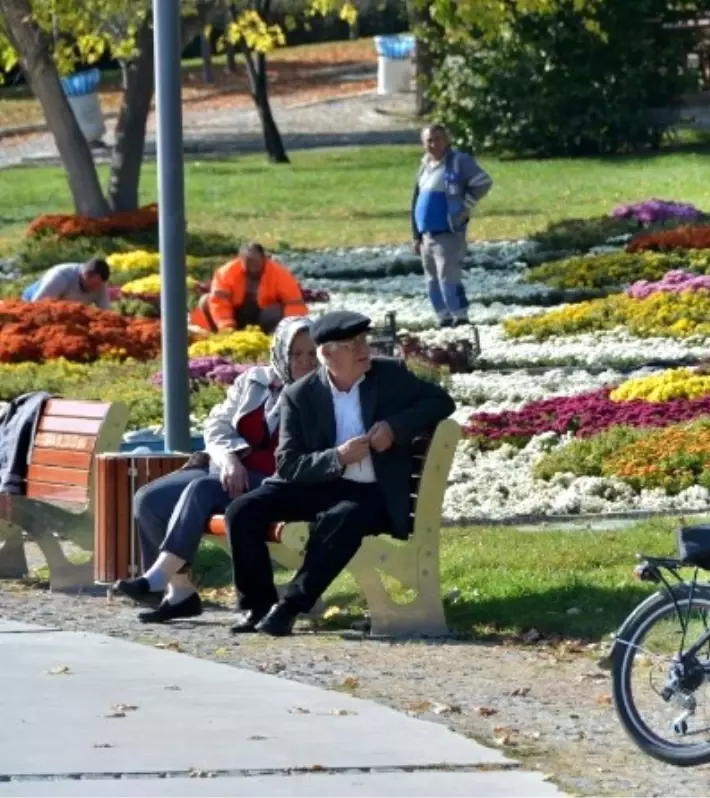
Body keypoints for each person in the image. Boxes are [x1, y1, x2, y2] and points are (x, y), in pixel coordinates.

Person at [223, 310, 455, 636]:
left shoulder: (389, 375)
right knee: (242, 510)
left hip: (372, 493)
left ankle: (289, 606)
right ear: (327, 354)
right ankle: (256, 607)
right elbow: (289, 464)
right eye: (352, 344)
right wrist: (337, 458)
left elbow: (441, 401)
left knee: (343, 517)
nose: (364, 349)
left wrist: (395, 427)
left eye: (364, 341)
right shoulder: (299, 395)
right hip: (320, 484)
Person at [110, 317, 318, 623]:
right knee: (149, 499)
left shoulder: (318, 393)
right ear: (281, 353)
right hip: (227, 469)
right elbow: (217, 424)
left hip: (274, 482)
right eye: (295, 353)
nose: (304, 361)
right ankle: (179, 592)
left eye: (312, 354)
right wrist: (230, 458)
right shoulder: (254, 381)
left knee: (203, 489)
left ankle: (154, 578)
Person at [410, 124, 493, 328]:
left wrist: (466, 206)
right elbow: (416, 199)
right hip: (426, 234)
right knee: (431, 279)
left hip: (449, 232)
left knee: (448, 276)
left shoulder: (458, 161)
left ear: (447, 140)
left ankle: (460, 315)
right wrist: (416, 235)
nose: (433, 144)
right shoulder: (425, 165)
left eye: (437, 139)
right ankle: (443, 317)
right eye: (428, 140)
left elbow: (483, 182)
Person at [190, 242, 308, 334]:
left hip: (264, 318)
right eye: (249, 265)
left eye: (257, 264)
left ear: (264, 259)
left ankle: (270, 336)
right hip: (235, 316)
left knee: (275, 312)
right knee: (205, 301)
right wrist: (226, 327)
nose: (253, 269)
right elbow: (219, 302)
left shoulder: (280, 274)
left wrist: (290, 331)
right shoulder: (226, 273)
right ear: (239, 260)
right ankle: (220, 337)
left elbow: (295, 304)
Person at [22, 257, 111, 309]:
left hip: (68, 310)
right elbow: (36, 306)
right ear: (86, 275)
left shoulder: (101, 284)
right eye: (94, 284)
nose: (96, 288)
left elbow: (105, 311)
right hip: (33, 300)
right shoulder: (61, 277)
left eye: (100, 284)